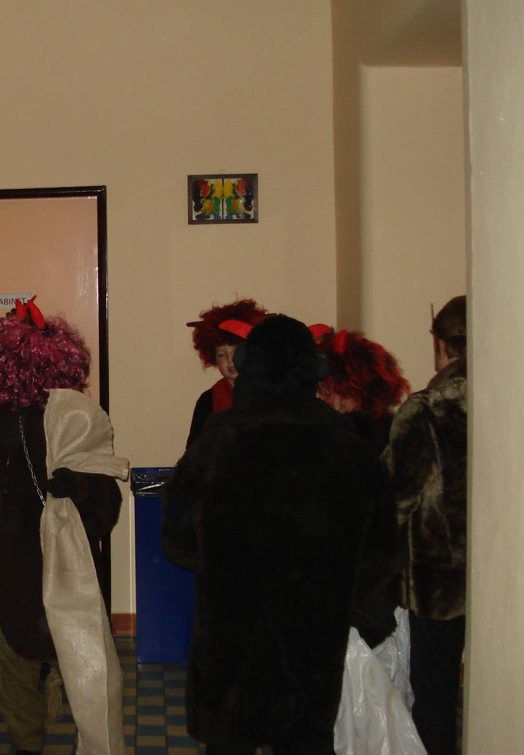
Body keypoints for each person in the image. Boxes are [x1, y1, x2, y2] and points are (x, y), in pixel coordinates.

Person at [161, 315, 398, 755]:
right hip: (312, 640)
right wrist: (362, 616)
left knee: (229, 741)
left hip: (232, 636)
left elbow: (177, 539)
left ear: (249, 365)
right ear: (312, 371)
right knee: (304, 741)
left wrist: (224, 563)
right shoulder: (346, 443)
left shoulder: (219, 436)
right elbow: (380, 549)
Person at [0, 303, 124, 755]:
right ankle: (27, 740)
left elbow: (105, 501)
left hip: (55, 570)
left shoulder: (72, 419)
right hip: (0, 571)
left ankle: (82, 738)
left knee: (76, 662)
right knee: (0, 659)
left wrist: (77, 486)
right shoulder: (2, 418)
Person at [382, 295, 467, 755]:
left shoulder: (428, 409)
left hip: (440, 583)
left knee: (434, 697)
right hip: (502, 577)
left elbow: (393, 498)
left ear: (440, 345)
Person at [185, 298, 269, 445]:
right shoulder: (208, 400)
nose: (230, 360)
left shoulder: (271, 393)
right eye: (221, 354)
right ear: (212, 358)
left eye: (236, 351)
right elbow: (194, 449)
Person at [317, 328, 410, 455]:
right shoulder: (399, 435)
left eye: (325, 390)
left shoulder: (341, 441)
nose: (319, 397)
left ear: (351, 392)